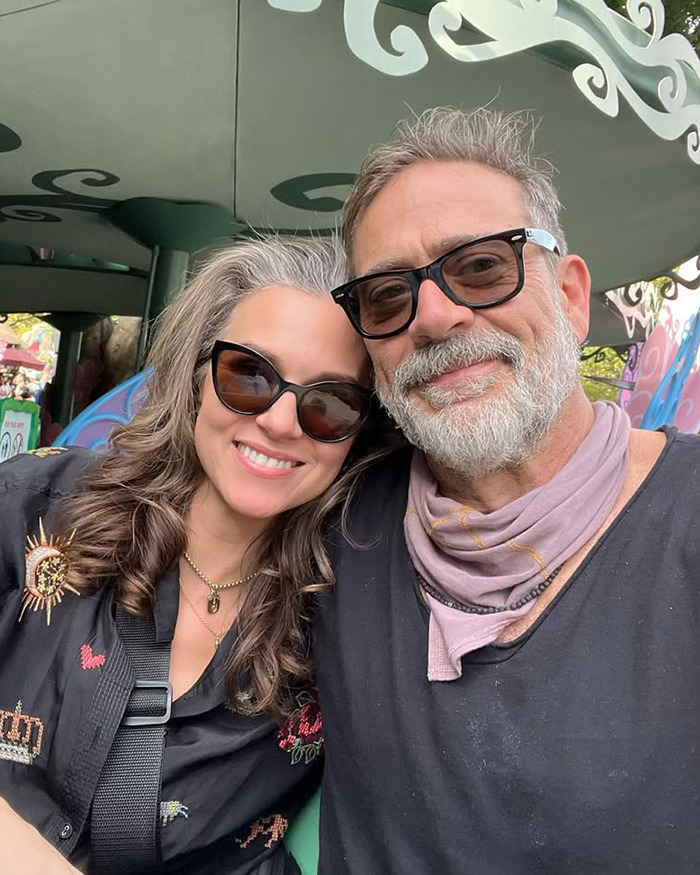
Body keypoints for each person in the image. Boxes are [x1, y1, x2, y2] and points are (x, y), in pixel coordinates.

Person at [313, 106, 700, 874]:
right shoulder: (332, 523)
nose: (434, 316)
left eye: (483, 266)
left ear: (571, 294)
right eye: (388, 296)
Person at [0, 235, 390, 874]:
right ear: (195, 375)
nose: (282, 422)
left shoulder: (351, 606)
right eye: (250, 375)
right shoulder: (35, 507)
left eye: (329, 403)